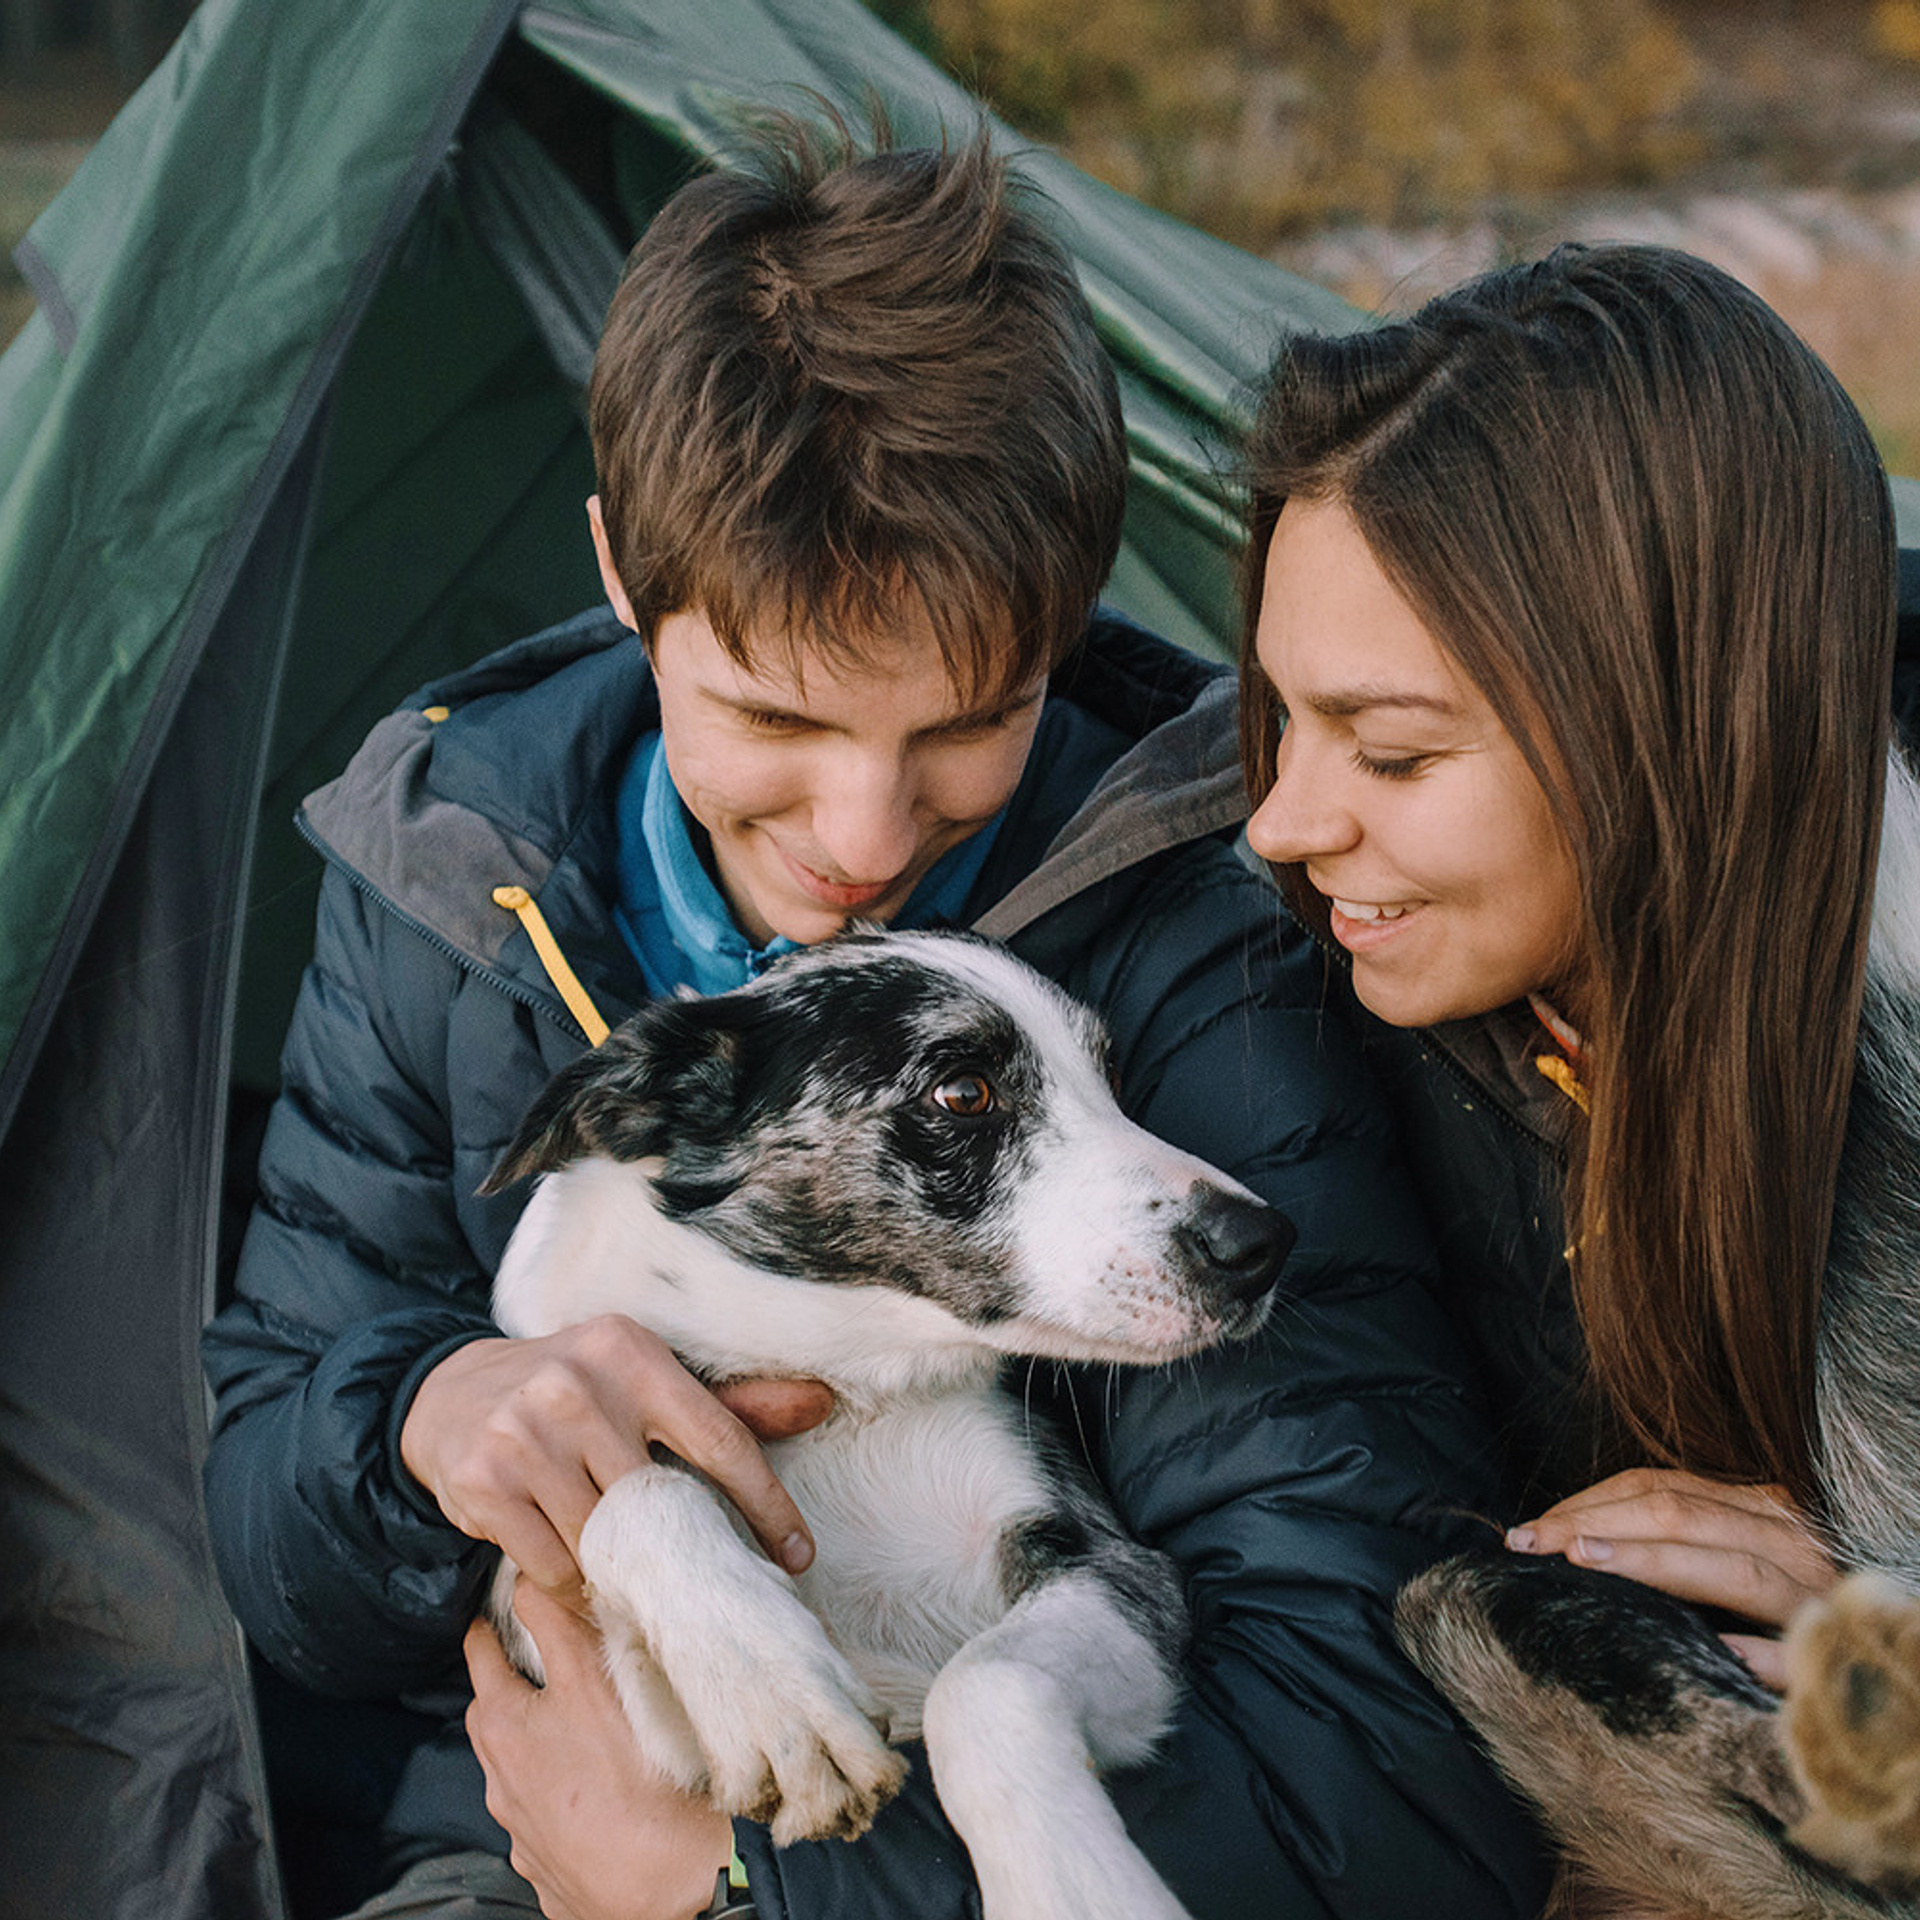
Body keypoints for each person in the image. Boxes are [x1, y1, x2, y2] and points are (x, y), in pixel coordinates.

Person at [202, 117, 1546, 1920]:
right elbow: (267, 1526)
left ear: (1064, 623)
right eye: (775, 718)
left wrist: (740, 1890)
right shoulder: (445, 882)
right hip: (508, 1839)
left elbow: (1369, 1724)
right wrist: (415, 1422)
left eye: (970, 721)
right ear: (624, 581)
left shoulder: (1204, 933)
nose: (864, 837)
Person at [1238, 241, 1890, 1710]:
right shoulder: (1256, 986)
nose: (1279, 822)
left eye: (1392, 753)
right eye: (1279, 713)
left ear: (1669, 728)